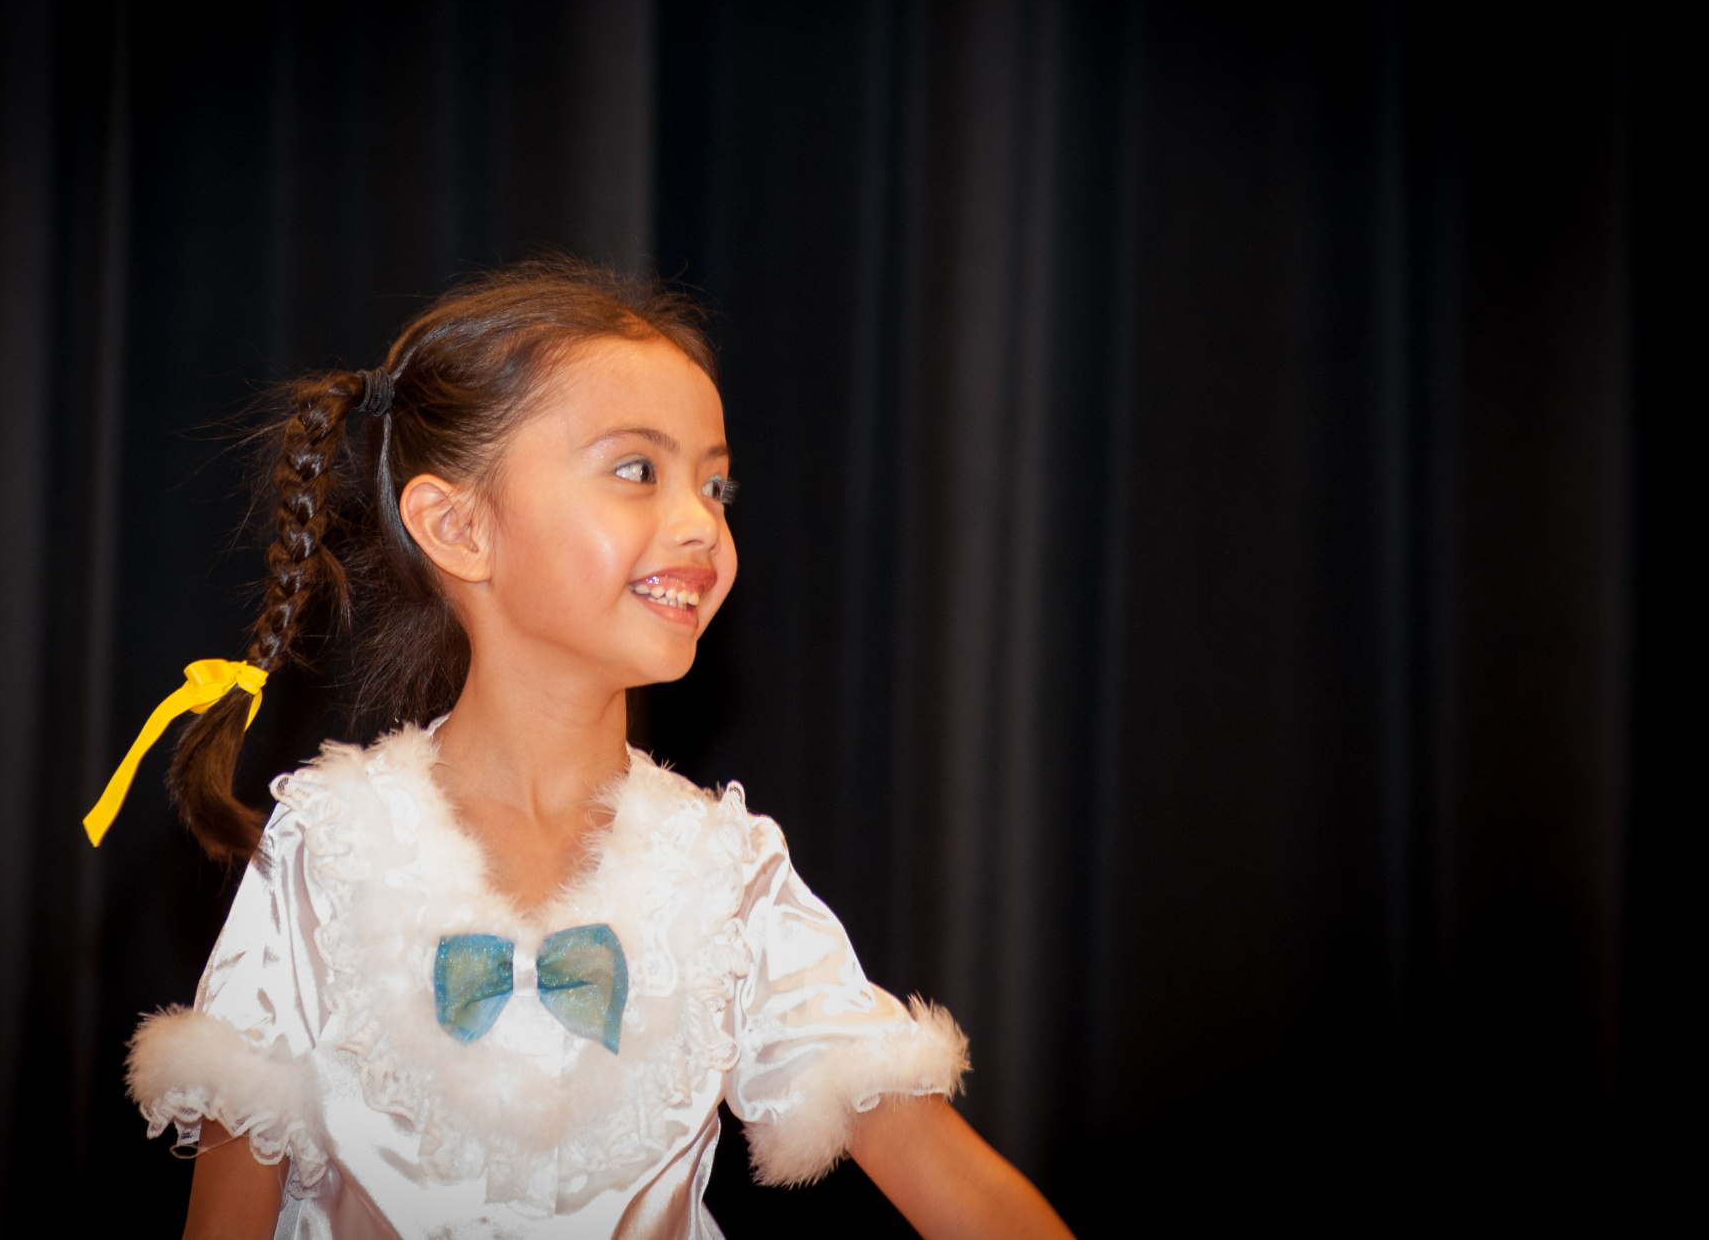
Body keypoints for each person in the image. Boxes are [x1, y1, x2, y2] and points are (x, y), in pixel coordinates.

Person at [103, 261, 1072, 1239]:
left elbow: (966, 1192)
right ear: (458, 526)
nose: (702, 524)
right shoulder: (327, 850)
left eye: (716, 484)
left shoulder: (727, 880)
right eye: (637, 470)